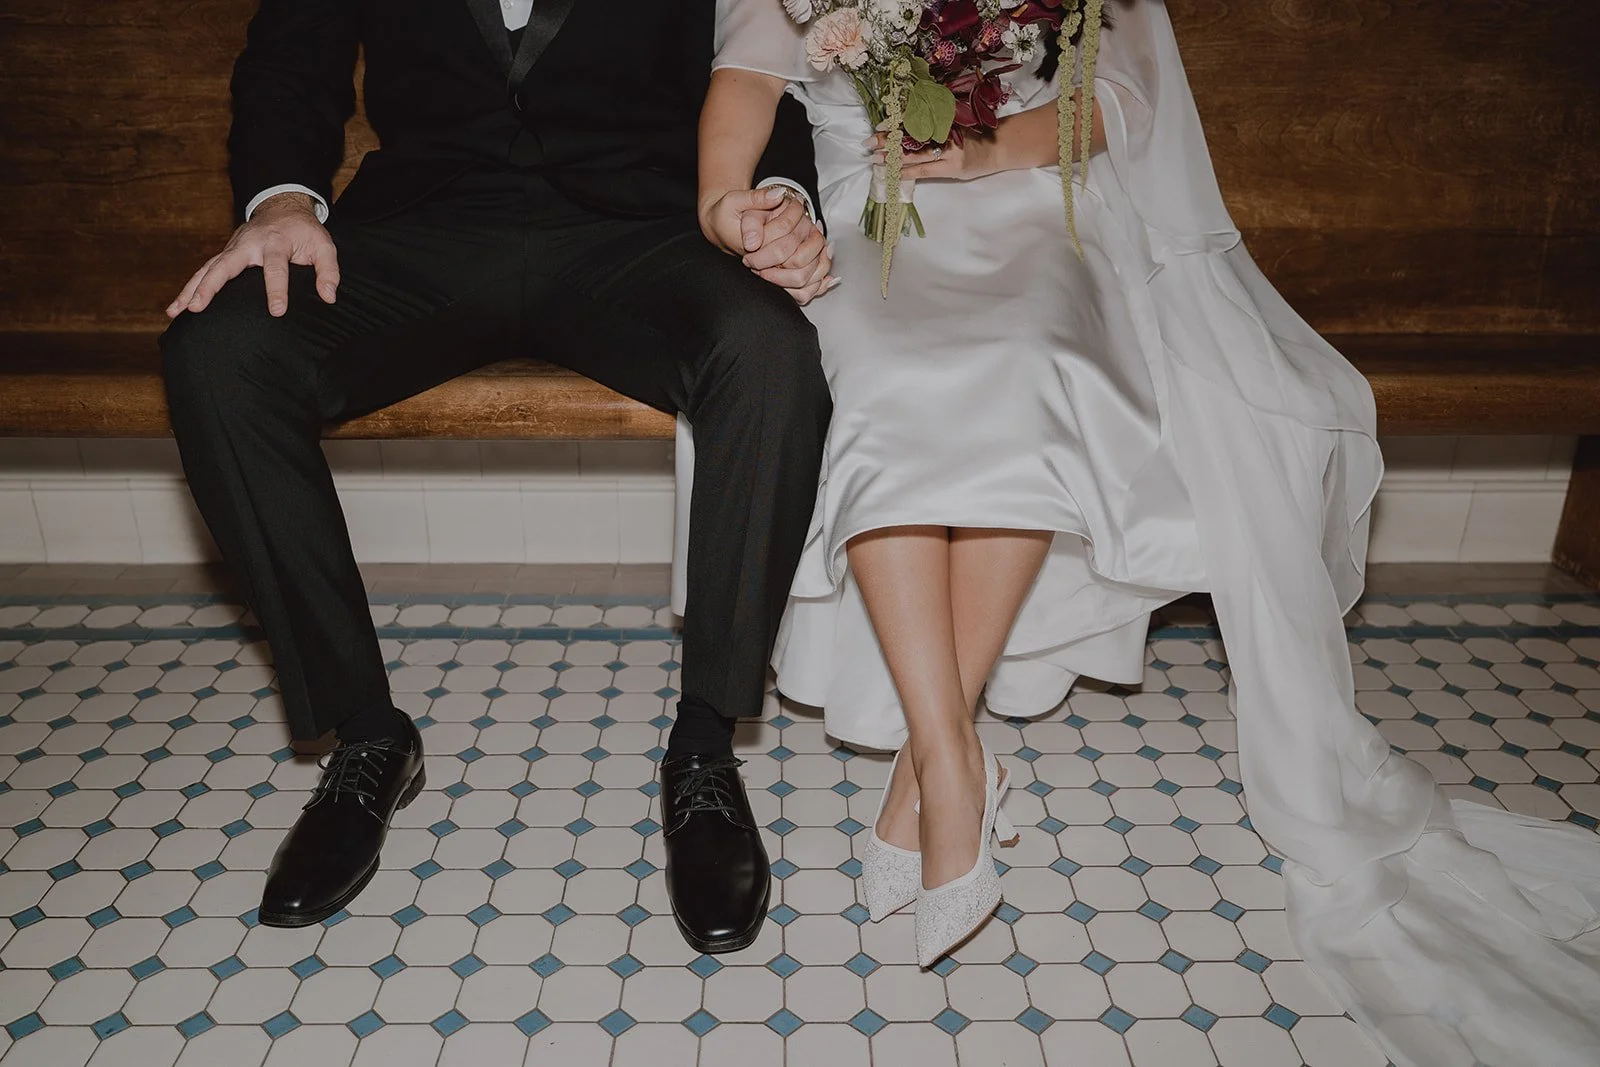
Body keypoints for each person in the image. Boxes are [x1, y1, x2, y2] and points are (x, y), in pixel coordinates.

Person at [700, 0, 1600, 1060]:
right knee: (884, 380)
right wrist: (729, 208)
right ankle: (950, 756)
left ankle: (932, 767)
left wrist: (982, 151)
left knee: (1028, 367)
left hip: (1037, 212)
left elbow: (1112, 106)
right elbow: (746, 82)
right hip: (867, 216)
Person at [160, 0, 836, 956]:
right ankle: (368, 736)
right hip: (427, 224)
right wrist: (277, 206)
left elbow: (766, 61)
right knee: (217, 355)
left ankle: (704, 744)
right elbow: (288, 59)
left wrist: (780, 197)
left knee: (768, 354)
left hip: (636, 230)